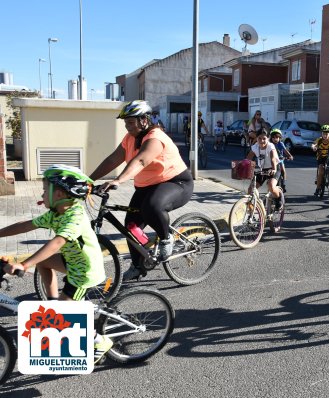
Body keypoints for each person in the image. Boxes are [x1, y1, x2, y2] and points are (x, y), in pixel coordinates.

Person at [0, 164, 112, 363]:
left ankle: (99, 341)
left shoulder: (74, 216)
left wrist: (24, 265)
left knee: (63, 316)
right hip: (71, 261)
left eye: (45, 189)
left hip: (83, 273)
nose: (42, 193)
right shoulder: (56, 212)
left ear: (59, 194)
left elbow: (57, 243)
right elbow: (25, 225)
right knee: (43, 263)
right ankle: (53, 303)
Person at [89, 100, 193, 281]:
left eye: (130, 122)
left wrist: (118, 180)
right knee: (131, 225)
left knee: (152, 206)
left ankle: (166, 240)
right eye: (125, 122)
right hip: (148, 186)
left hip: (177, 183)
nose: (127, 126)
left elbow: (141, 160)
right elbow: (113, 160)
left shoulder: (155, 138)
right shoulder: (130, 139)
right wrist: (89, 180)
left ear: (144, 120)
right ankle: (138, 265)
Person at [245, 129, 283, 210]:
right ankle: (251, 212)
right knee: (250, 189)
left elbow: (273, 158)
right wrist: (244, 168)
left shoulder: (270, 146)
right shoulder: (255, 147)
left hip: (275, 167)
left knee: (271, 187)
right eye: (259, 138)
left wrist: (273, 169)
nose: (262, 141)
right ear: (256, 138)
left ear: (268, 138)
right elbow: (248, 159)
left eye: (264, 138)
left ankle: (279, 198)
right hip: (263, 169)